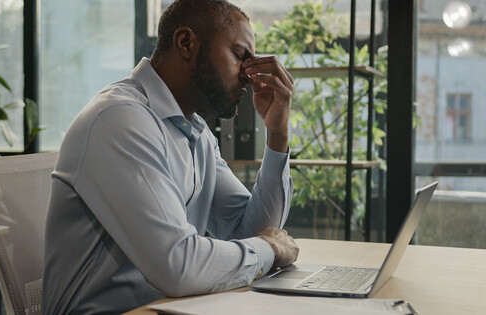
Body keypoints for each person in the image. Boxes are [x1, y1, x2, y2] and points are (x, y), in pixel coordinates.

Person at [42, 0, 299, 313]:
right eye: (239, 55)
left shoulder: (197, 133)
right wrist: (270, 248)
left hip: (168, 307)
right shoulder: (120, 119)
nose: (249, 74)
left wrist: (277, 135)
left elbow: (251, 231)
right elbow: (177, 266)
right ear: (186, 43)